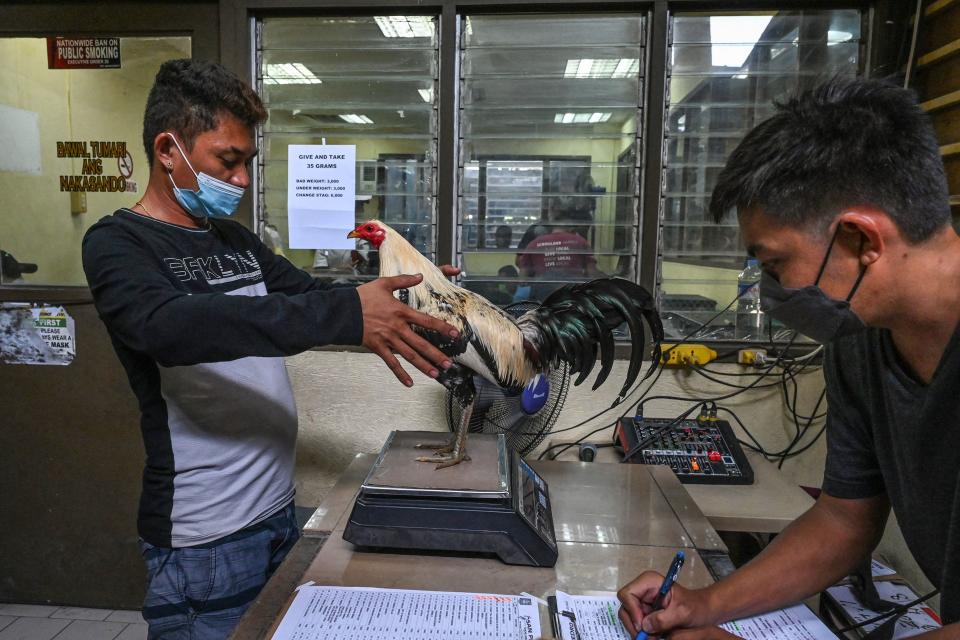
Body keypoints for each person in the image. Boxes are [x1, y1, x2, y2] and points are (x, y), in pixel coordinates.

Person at [81, 59, 459, 640]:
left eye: (246, 163)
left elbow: (307, 297)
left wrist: (408, 296)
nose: (239, 180)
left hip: (274, 511)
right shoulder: (119, 244)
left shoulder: (234, 241)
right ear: (167, 148)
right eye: (225, 161)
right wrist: (345, 312)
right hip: (204, 536)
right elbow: (168, 327)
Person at [617, 78, 960, 638]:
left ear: (859, 238)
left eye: (774, 264)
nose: (772, 288)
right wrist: (702, 605)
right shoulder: (859, 345)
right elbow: (843, 520)